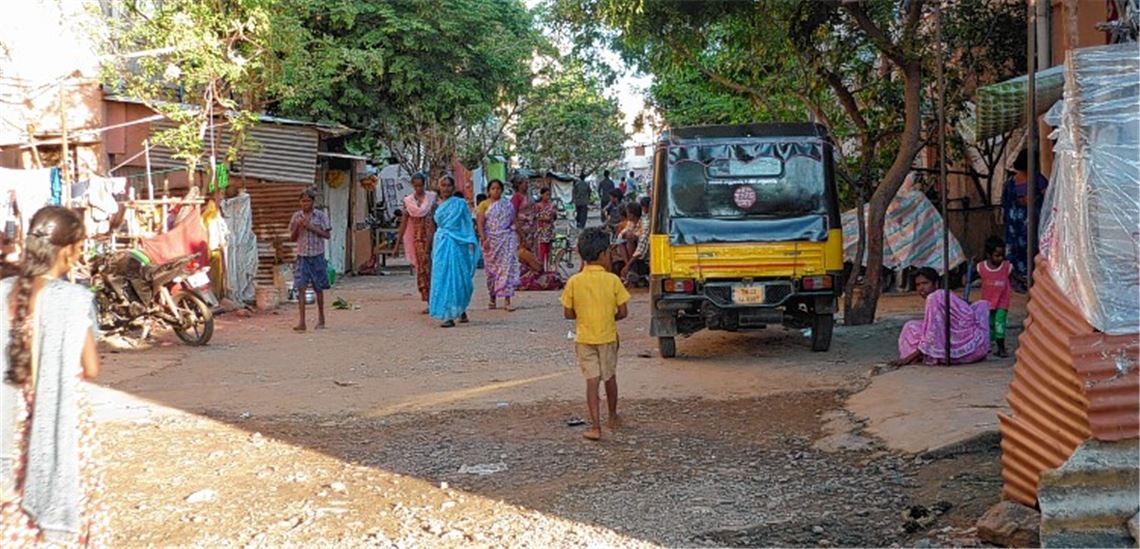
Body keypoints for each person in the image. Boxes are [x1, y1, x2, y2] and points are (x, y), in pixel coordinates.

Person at [1, 206, 107, 546]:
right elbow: (91, 368)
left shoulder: (5, 292)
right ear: (68, 251)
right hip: (61, 417)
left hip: (11, 422)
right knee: (66, 496)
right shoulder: (71, 299)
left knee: (14, 508)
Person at [561, 228, 630, 441]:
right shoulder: (613, 280)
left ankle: (595, 427)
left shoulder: (574, 281)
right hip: (607, 337)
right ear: (603, 254)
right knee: (609, 377)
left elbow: (568, 313)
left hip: (584, 338)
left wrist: (584, 316)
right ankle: (612, 416)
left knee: (591, 381)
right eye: (609, 253)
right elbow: (623, 312)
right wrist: (608, 317)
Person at [893, 267, 990, 366]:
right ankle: (923, 355)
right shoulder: (942, 295)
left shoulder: (935, 297)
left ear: (936, 284)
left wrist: (908, 358)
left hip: (966, 346)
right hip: (960, 339)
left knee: (924, 333)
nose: (921, 288)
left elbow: (932, 332)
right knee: (910, 326)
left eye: (925, 283)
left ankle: (923, 355)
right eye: (918, 285)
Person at [428, 175, 478, 328]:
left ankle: (459, 309)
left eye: (448, 185)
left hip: (457, 243)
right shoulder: (436, 205)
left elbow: (467, 224)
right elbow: (433, 226)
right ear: (439, 187)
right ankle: (448, 314)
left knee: (458, 277)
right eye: (443, 185)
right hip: (441, 243)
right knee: (442, 277)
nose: (446, 188)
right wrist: (428, 246)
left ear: (453, 187)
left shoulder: (460, 204)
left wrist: (469, 240)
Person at [1002, 149, 1048, 291]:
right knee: (1025, 252)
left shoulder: (1012, 182)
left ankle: (1025, 281)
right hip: (1023, 225)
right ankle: (1024, 281)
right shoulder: (1037, 181)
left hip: (1021, 225)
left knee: (1026, 252)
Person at [289, 189, 331, 331]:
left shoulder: (320, 216)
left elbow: (327, 235)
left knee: (318, 288)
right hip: (302, 256)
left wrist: (310, 227)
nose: (305, 204)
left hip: (317, 255)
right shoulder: (296, 216)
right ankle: (302, 322)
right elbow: (292, 238)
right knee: (301, 288)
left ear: (313, 202)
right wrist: (298, 227)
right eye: (302, 201)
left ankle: (321, 318)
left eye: (307, 201)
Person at [477, 179, 521, 311]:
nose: (496, 191)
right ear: (489, 191)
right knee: (491, 272)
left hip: (506, 240)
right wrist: (484, 238)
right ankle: (492, 298)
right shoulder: (484, 205)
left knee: (507, 269)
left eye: (498, 188)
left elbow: (513, 221)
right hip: (491, 242)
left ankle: (507, 300)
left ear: (502, 190)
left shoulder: (507, 205)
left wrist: (520, 236)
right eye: (493, 189)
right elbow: (480, 223)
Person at [395, 173, 437, 310]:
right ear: (413, 185)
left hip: (434, 239)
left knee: (435, 269)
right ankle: (429, 300)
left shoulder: (432, 199)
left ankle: (437, 299)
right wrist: (397, 245)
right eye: (416, 186)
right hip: (418, 240)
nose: (419, 188)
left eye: (421, 185)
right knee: (423, 270)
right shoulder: (409, 202)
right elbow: (404, 223)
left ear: (425, 184)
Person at [978, 236, 1013, 357]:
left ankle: (1001, 347)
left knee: (1000, 324)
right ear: (988, 255)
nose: (1001, 258)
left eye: (1002, 255)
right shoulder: (981, 267)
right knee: (990, 324)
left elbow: (1014, 278)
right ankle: (991, 345)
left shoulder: (1007, 267)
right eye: (997, 255)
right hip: (988, 302)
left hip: (1002, 301)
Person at [620, 198, 652, 285]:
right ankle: (630, 270)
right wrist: (626, 235)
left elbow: (641, 249)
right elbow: (621, 235)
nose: (626, 214)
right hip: (635, 250)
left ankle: (630, 269)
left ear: (632, 215)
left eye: (627, 212)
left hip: (645, 252)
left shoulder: (645, 224)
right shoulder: (631, 222)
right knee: (622, 243)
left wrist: (634, 237)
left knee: (630, 241)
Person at [510, 177, 537, 255]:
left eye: (528, 183)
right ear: (519, 185)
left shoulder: (529, 196)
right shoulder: (516, 197)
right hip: (521, 229)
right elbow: (513, 215)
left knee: (530, 251)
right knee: (522, 252)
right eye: (525, 183)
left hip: (531, 229)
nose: (527, 185)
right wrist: (520, 232)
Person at [534, 188, 557, 268]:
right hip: (542, 230)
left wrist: (553, 215)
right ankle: (541, 267)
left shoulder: (552, 205)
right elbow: (535, 217)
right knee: (542, 250)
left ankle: (547, 267)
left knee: (549, 250)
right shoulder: (538, 206)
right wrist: (544, 218)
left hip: (550, 229)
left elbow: (554, 216)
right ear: (542, 195)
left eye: (549, 195)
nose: (548, 197)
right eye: (546, 195)